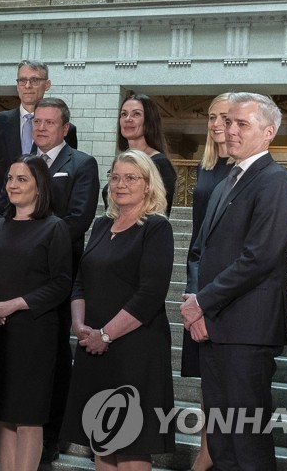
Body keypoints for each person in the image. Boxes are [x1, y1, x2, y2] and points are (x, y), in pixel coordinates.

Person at [181, 93, 287, 471]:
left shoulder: (275, 181)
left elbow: (259, 257)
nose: (229, 130)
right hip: (215, 327)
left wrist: (203, 302)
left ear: (268, 133)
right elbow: (200, 249)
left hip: (248, 329)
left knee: (247, 442)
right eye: (228, 122)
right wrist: (198, 305)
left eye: (241, 124)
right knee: (221, 439)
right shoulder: (224, 181)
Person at [61, 150, 175, 470]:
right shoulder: (100, 225)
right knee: (103, 438)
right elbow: (80, 281)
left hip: (134, 351)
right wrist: (79, 324)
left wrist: (106, 335)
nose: (120, 184)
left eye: (130, 178)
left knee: (130, 444)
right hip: (94, 346)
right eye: (115, 177)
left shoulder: (156, 228)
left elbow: (150, 294)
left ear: (149, 185)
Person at [0, 156, 71, 471]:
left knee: (28, 416)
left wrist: (15, 303)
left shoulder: (54, 227)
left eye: (22, 179)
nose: (13, 185)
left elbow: (62, 283)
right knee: (1, 412)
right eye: (9, 178)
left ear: (39, 186)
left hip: (34, 332)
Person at [29, 98, 100, 463]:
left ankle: (50, 435)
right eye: (37, 121)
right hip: (19, 273)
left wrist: (37, 245)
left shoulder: (81, 163)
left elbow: (79, 218)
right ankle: (19, 425)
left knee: (53, 357)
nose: (40, 128)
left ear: (65, 128)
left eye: (49, 123)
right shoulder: (25, 162)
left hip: (58, 269)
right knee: (21, 354)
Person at [180, 93, 233, 471]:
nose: (216, 124)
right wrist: (192, 290)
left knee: (229, 378)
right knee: (206, 380)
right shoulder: (207, 167)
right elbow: (198, 238)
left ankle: (216, 451)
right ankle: (206, 448)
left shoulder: (248, 169)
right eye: (212, 116)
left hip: (232, 289)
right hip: (202, 281)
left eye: (225, 117)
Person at [0, 60, 78, 214]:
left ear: (47, 85)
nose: (27, 86)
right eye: (22, 80)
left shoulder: (67, 130)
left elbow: (69, 176)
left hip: (43, 215)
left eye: (34, 80)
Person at [113, 93, 176, 215]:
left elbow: (160, 212)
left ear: (149, 121)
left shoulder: (160, 163)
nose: (128, 119)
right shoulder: (121, 160)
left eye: (136, 114)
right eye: (124, 114)